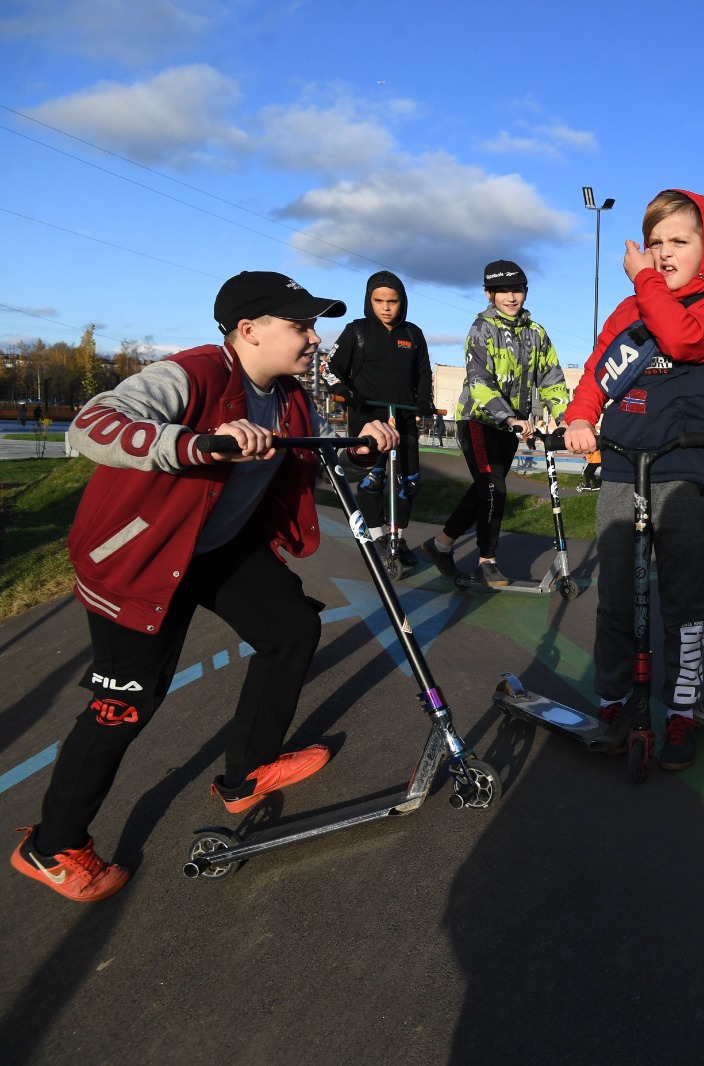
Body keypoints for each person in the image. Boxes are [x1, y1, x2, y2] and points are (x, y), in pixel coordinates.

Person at [10, 271, 399, 902]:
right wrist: (192, 444)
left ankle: (245, 774)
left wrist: (357, 450)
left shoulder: (290, 396)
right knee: (126, 706)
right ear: (249, 330)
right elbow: (91, 424)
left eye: (313, 325)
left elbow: (301, 462)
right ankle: (51, 846)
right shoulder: (189, 375)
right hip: (140, 557)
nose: (313, 337)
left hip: (215, 547)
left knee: (291, 628)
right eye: (299, 324)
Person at [563, 190, 704, 771]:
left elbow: (680, 339)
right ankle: (614, 701)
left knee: (683, 601)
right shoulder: (627, 310)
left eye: (679, 242)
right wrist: (581, 416)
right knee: (617, 596)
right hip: (621, 467)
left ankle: (682, 710)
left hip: (681, 472)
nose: (663, 254)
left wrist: (647, 283)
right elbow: (597, 371)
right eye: (655, 242)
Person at [422, 261, 567, 587]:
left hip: (510, 427)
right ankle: (486, 562)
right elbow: (480, 382)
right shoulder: (481, 329)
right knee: (493, 488)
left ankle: (441, 545)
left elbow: (552, 378)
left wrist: (564, 418)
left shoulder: (536, 333)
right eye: (503, 291)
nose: (511, 297)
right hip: (478, 419)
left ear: (526, 292)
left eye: (517, 290)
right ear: (489, 294)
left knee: (484, 491)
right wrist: (511, 417)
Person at [327, 271, 434, 567]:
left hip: (404, 418)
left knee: (409, 482)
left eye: (393, 301)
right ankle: (376, 536)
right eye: (379, 301)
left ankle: (397, 538)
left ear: (403, 302)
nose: (386, 307)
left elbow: (424, 372)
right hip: (367, 417)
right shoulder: (356, 331)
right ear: (369, 301)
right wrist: (343, 391)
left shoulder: (413, 334)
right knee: (372, 479)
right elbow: (330, 368)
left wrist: (424, 400)